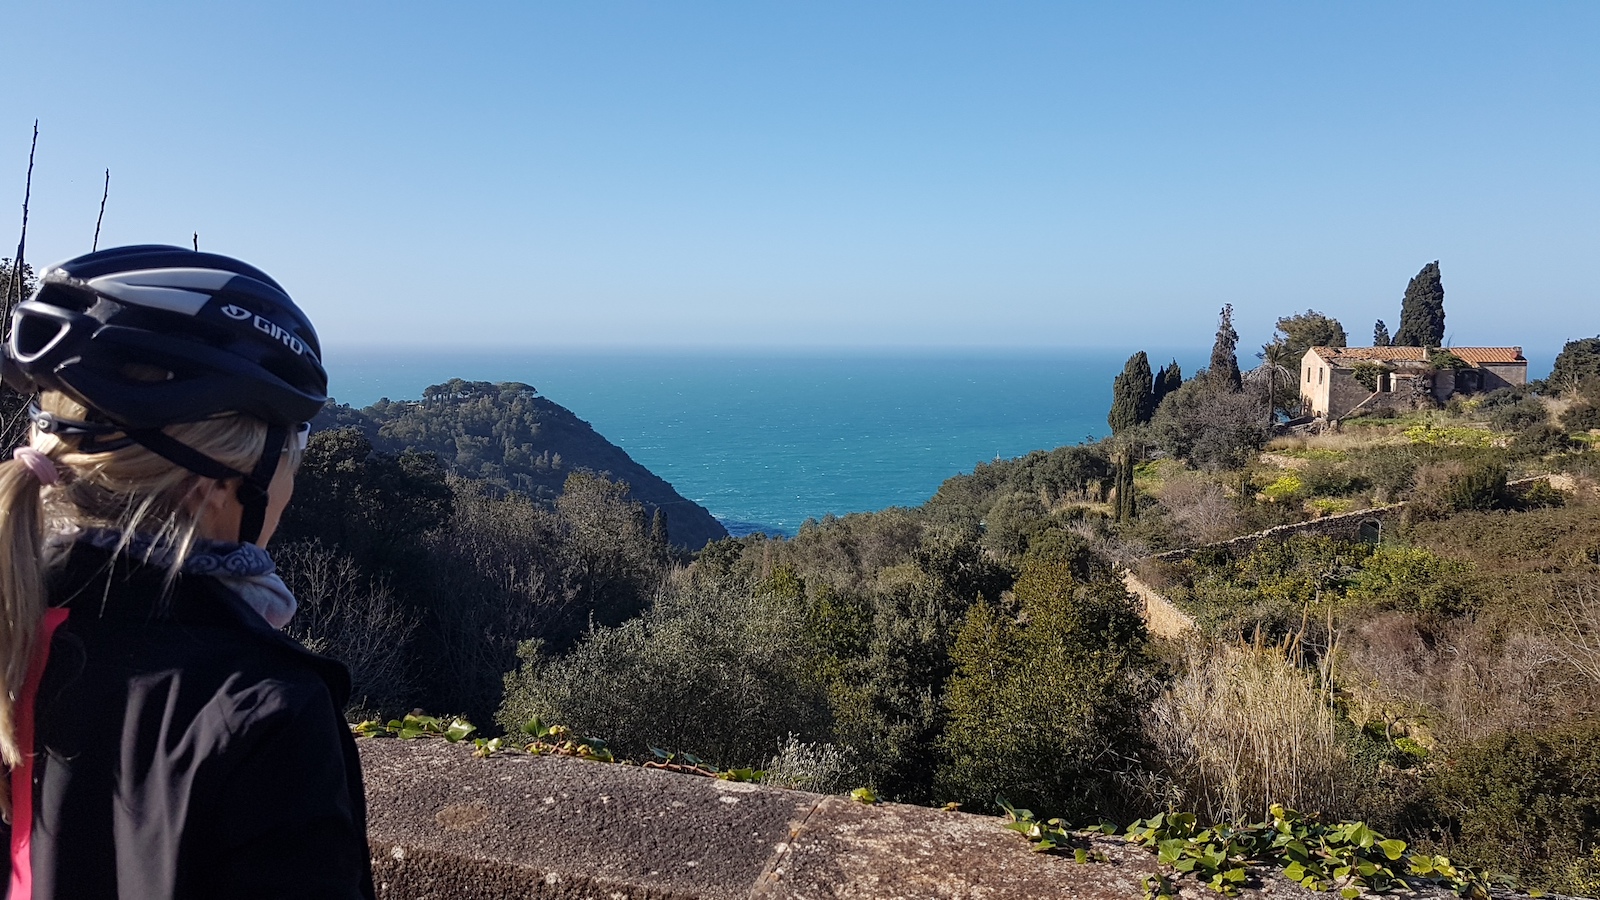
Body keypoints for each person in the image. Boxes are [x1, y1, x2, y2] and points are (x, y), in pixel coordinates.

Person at [0, 245, 375, 898]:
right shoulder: (260, 710)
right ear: (216, 482)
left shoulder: (20, 623)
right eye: (294, 448)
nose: (293, 479)